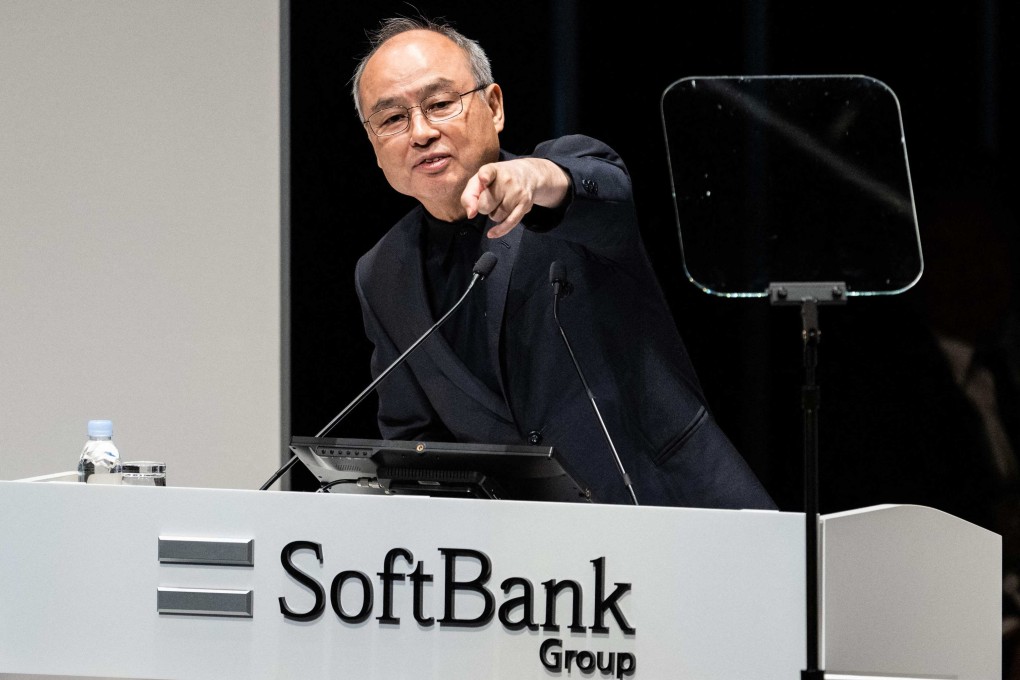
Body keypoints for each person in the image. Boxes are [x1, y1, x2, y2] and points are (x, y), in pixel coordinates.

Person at [348, 15, 775, 509]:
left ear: (494, 105)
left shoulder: (556, 190)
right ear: (375, 146)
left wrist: (537, 177)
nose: (420, 132)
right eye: (393, 118)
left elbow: (601, 188)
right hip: (534, 568)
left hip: (673, 505)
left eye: (440, 104)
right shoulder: (381, 272)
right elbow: (411, 444)